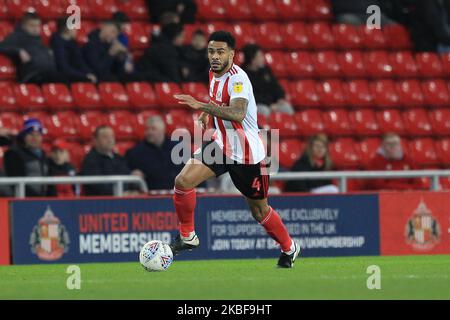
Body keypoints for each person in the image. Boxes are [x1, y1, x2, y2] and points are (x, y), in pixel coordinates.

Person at [172, 31, 300, 268]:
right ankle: (188, 236)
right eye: (211, 51)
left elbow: (238, 112)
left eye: (220, 51)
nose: (215, 56)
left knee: (260, 212)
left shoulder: (238, 79)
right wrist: (205, 112)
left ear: (232, 53)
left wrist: (200, 105)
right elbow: (218, 99)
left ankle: (289, 248)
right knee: (183, 181)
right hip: (222, 144)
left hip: (248, 155)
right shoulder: (213, 72)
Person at [0, 12, 67, 83]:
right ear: (23, 26)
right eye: (32, 26)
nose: (35, 29)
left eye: (38, 26)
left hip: (47, 73)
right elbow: (2, 46)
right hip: (32, 75)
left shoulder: (38, 39)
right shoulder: (17, 36)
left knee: (68, 78)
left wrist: (48, 52)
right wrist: (19, 51)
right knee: (65, 79)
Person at [80, 126, 143, 196]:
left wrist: (134, 186)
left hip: (124, 200)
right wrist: (119, 194)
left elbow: (127, 178)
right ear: (95, 140)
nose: (110, 140)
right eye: (105, 137)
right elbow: (97, 187)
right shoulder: (90, 161)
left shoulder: (119, 159)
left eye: (112, 136)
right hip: (102, 203)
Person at [125, 115, 183, 190]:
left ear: (163, 130)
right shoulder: (135, 152)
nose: (149, 132)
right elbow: (125, 171)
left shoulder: (179, 149)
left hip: (178, 193)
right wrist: (132, 173)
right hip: (150, 195)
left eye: (153, 129)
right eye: (147, 129)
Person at [3, 119, 52, 197]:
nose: (35, 138)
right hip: (21, 201)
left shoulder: (43, 154)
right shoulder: (13, 154)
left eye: (38, 135)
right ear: (24, 136)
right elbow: (15, 182)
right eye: (31, 134)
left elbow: (49, 182)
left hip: (42, 201)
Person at [242, 44, 294, 116]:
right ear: (252, 60)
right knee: (264, 110)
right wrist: (269, 104)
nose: (263, 58)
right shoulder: (242, 75)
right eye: (260, 56)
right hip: (255, 105)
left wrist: (280, 97)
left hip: (272, 103)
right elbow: (252, 96)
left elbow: (275, 85)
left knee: (287, 108)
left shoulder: (265, 70)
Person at [50, 18, 97, 83]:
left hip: (76, 75)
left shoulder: (72, 43)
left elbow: (80, 62)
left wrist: (89, 73)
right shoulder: (58, 45)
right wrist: (84, 76)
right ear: (66, 28)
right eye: (74, 27)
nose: (76, 30)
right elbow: (64, 68)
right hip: (64, 78)